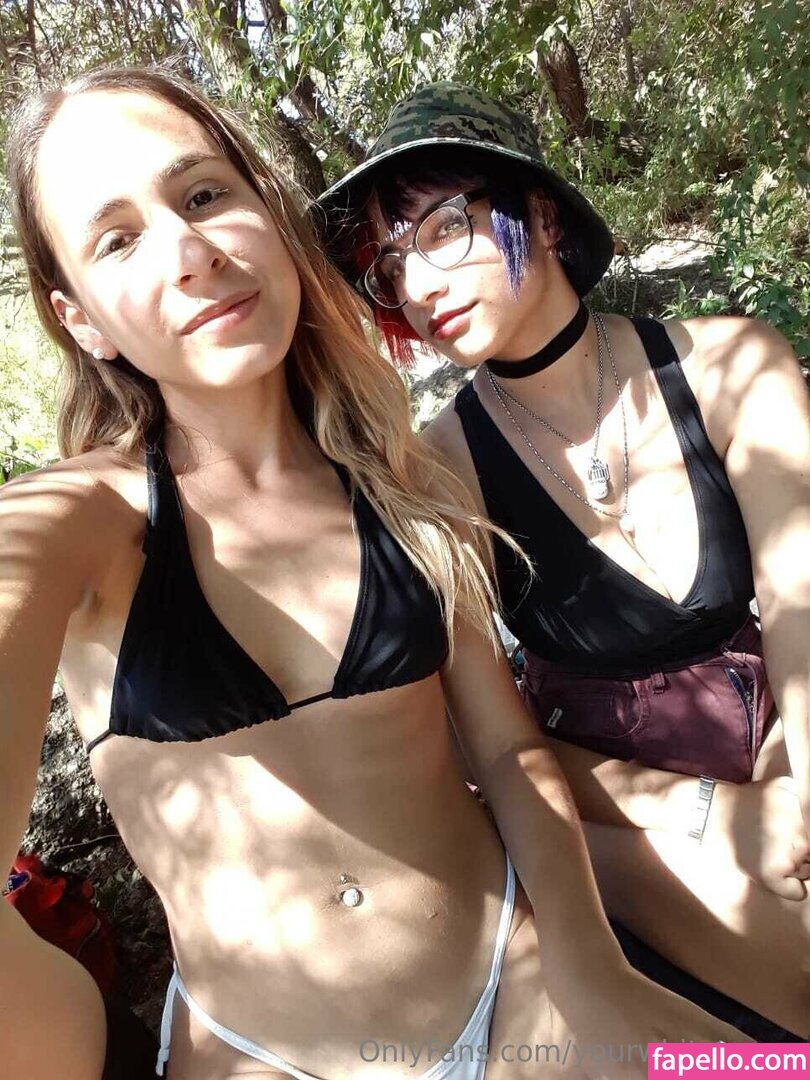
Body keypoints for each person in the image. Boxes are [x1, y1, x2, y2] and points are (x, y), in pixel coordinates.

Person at [0, 66, 748, 1080]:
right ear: (81, 318)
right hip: (267, 1056)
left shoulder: (403, 481)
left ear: (272, 219)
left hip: (524, 982)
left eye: (204, 195)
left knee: (760, 1071)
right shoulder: (75, 521)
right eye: (118, 240)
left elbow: (506, 749)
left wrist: (589, 961)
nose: (189, 253)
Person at [316, 82, 810, 1039]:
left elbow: (801, 604)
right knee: (747, 1041)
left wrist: (794, 783)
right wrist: (708, 814)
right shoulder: (439, 472)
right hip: (610, 824)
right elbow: (487, 743)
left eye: (444, 227)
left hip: (779, 745)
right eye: (390, 263)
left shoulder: (732, 368)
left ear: (541, 216)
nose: (417, 286)